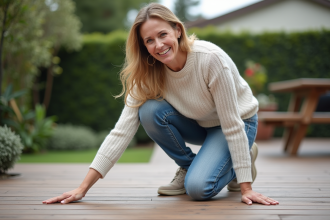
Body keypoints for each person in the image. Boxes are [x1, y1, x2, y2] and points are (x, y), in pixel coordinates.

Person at [43, 3, 279, 206]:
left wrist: (246, 188)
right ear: (144, 46)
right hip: (201, 124)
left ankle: (243, 159)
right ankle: (189, 166)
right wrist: (82, 188)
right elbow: (121, 132)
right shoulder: (147, 73)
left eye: (162, 34)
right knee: (150, 110)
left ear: (177, 30)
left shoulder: (210, 60)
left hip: (239, 123)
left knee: (198, 189)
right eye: (149, 40)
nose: (158, 45)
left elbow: (231, 123)